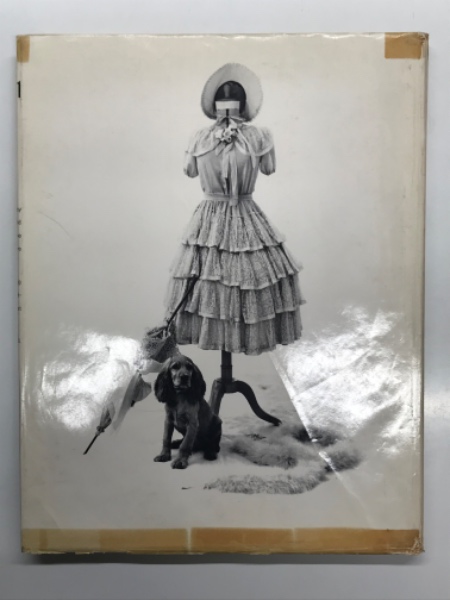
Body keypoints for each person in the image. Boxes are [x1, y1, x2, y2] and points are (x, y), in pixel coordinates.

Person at [164, 63, 305, 356]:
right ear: (245, 104)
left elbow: (190, 170)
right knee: (222, 283)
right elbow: (269, 168)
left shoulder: (232, 137)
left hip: (221, 218)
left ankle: (230, 357)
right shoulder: (246, 137)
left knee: (239, 281)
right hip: (228, 217)